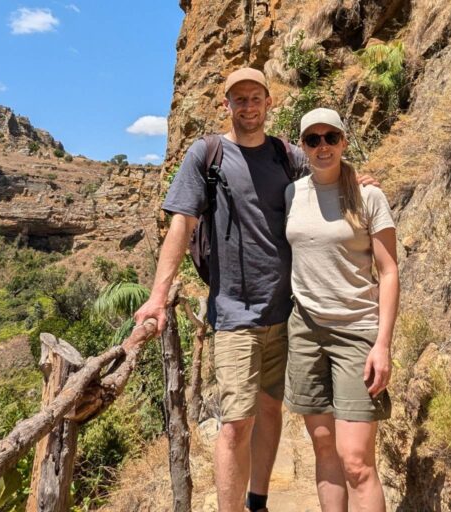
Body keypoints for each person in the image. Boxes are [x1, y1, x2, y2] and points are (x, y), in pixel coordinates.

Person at [133, 67, 308, 512]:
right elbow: (181, 223)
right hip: (234, 315)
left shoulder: (288, 156)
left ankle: (259, 502)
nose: (248, 106)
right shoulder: (206, 154)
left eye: (255, 98)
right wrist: (158, 295)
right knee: (235, 424)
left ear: (270, 103)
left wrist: (357, 180)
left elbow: (329, 175)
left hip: (285, 311)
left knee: (272, 412)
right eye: (239, 99)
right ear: (226, 104)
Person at [283, 108, 399, 512]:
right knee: (323, 447)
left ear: (344, 141)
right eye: (312, 140)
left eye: (330, 137)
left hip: (356, 333)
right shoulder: (293, 193)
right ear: (302, 147)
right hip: (305, 330)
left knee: (356, 462)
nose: (322, 146)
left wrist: (382, 344)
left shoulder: (369, 196)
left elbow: (388, 271)